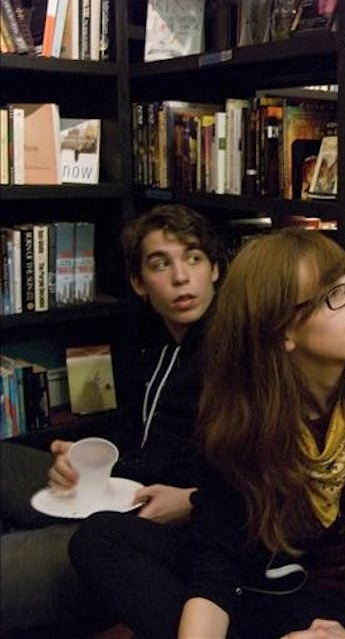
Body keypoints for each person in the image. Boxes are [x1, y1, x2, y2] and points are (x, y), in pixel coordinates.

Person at [69, 227, 345, 638]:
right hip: (271, 591)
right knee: (100, 539)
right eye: (335, 295)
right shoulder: (242, 405)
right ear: (282, 332)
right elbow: (220, 554)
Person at [0, 204, 223, 635]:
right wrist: (80, 455)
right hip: (111, 486)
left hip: (149, 527)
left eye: (194, 258)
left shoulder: (237, 349)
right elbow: (132, 436)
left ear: (215, 268)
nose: (181, 277)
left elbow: (263, 475)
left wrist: (193, 500)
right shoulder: (153, 343)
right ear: (140, 284)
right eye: (162, 264)